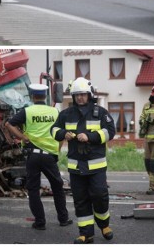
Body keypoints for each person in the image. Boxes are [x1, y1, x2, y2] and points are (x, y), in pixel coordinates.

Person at [51, 77, 116, 244]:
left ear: (89, 95)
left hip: (97, 164)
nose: (80, 97)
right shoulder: (66, 113)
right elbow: (54, 129)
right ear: (73, 96)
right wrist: (62, 134)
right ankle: (86, 234)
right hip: (76, 165)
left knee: (100, 195)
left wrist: (90, 136)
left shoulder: (100, 112)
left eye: (83, 94)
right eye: (77, 95)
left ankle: (104, 225)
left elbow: (110, 131)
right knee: (80, 199)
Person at [4, 84, 72, 230]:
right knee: (57, 187)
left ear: (32, 96)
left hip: (32, 156)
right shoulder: (55, 111)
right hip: (49, 156)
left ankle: (40, 222)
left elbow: (8, 124)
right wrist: (57, 152)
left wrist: (22, 137)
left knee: (33, 189)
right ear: (45, 96)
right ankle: (63, 219)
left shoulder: (27, 111)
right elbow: (61, 135)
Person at [140, 82, 154, 195]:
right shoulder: (146, 106)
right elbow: (142, 117)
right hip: (147, 139)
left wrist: (153, 121)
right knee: (148, 163)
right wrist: (142, 122)